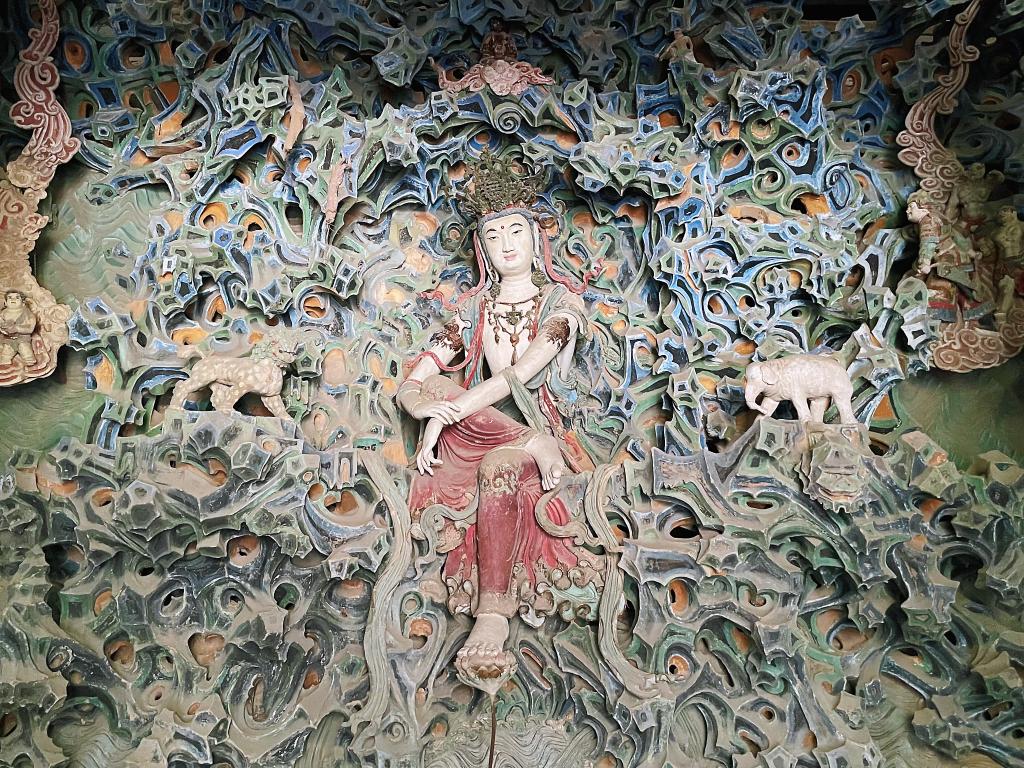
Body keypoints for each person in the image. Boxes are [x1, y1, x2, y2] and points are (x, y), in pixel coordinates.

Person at [397, 151, 600, 686]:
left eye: (515, 231)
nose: (506, 244)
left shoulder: (561, 304)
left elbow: (523, 373)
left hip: (539, 427)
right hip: (480, 426)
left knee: (499, 467)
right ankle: (524, 441)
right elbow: (420, 375)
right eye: (493, 235)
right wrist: (422, 405)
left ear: (535, 238)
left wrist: (450, 414)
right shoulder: (475, 308)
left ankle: (493, 613)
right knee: (441, 387)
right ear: (481, 248)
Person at [0, 290, 37, 366]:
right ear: (6, 303)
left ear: (23, 303)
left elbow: (30, 328)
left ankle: (29, 361)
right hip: (8, 339)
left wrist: (17, 329)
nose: (13, 299)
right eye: (10, 297)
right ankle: (5, 361)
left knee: (26, 351)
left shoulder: (27, 313)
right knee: (6, 353)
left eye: (17, 297)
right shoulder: (3, 313)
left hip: (23, 339)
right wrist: (4, 330)